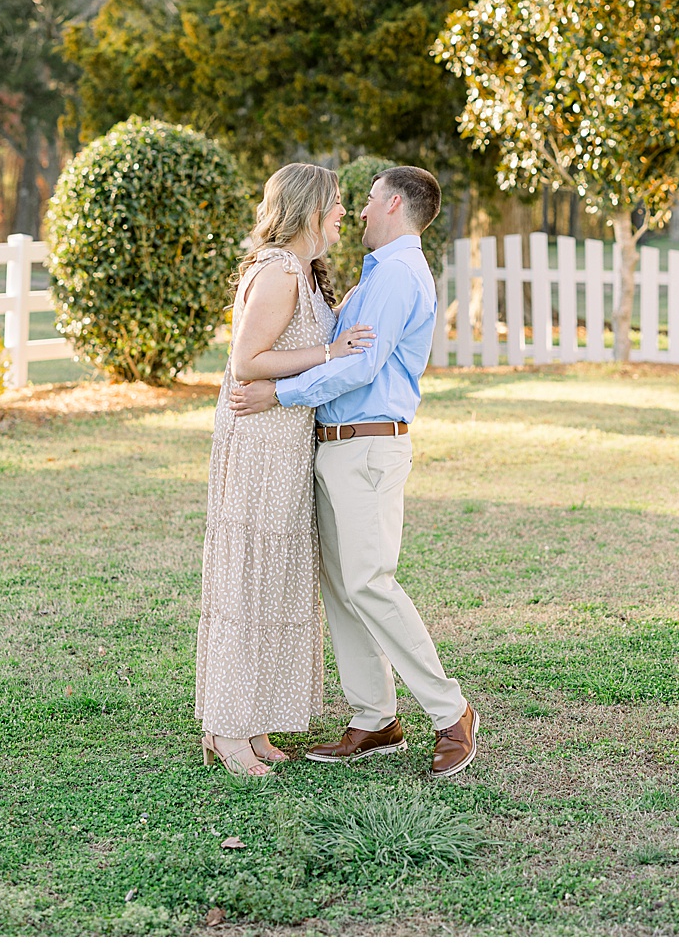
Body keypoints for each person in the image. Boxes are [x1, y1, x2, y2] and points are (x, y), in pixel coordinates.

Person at [230, 165, 480, 779]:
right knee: (343, 589)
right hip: (335, 446)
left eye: (368, 200)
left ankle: (451, 713)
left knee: (370, 582)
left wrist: (278, 393)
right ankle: (374, 719)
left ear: (393, 204)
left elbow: (360, 367)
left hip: (368, 447)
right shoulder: (376, 273)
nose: (359, 211)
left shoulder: (397, 274)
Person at [196, 163, 373, 777]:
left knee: (275, 581)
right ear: (308, 209)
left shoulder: (304, 271)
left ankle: (254, 721)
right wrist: (330, 351)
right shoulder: (278, 271)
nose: (344, 211)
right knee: (250, 583)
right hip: (260, 446)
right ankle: (227, 729)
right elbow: (247, 361)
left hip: (289, 443)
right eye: (336, 202)